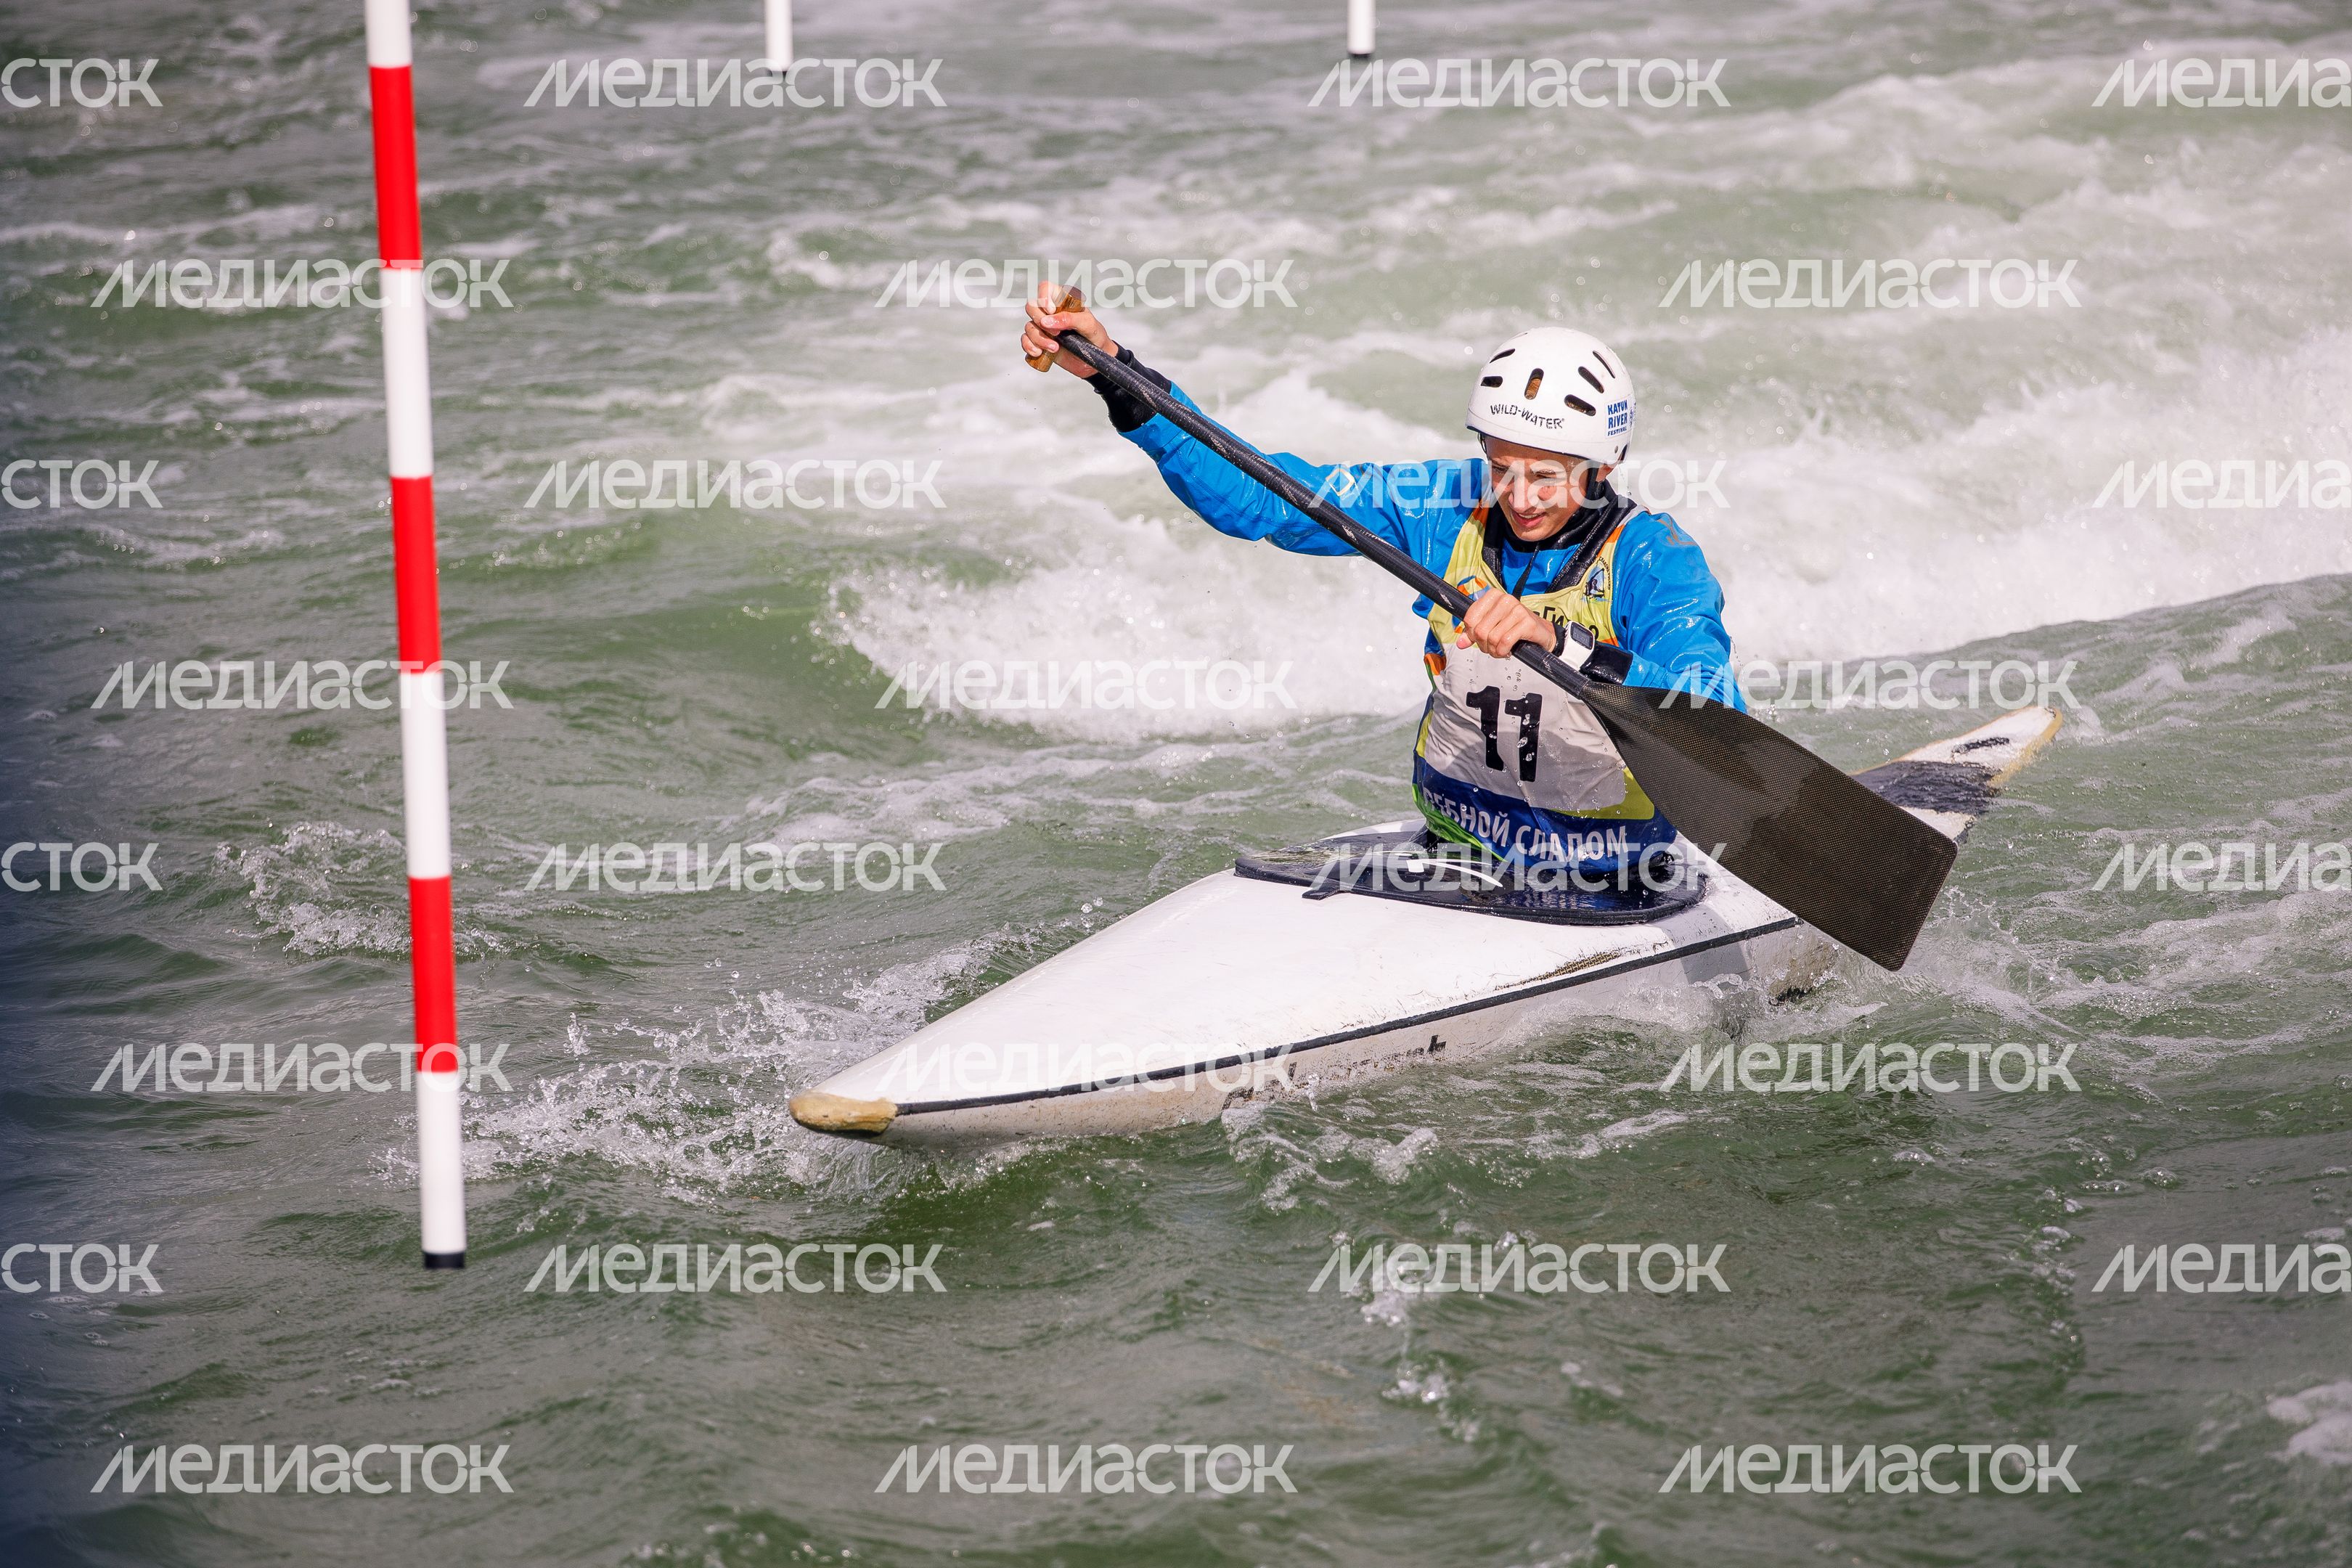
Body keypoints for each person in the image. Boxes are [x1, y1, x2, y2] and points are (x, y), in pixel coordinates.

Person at [1018, 285, 1742, 884]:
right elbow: (1265, 496)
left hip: (1610, 875)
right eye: (1502, 467)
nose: (1519, 497)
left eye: (1547, 476)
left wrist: (1557, 640)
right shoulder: (1444, 503)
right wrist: (1114, 372)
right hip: (1453, 856)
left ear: (1602, 468)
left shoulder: (1656, 562)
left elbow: (1715, 717)